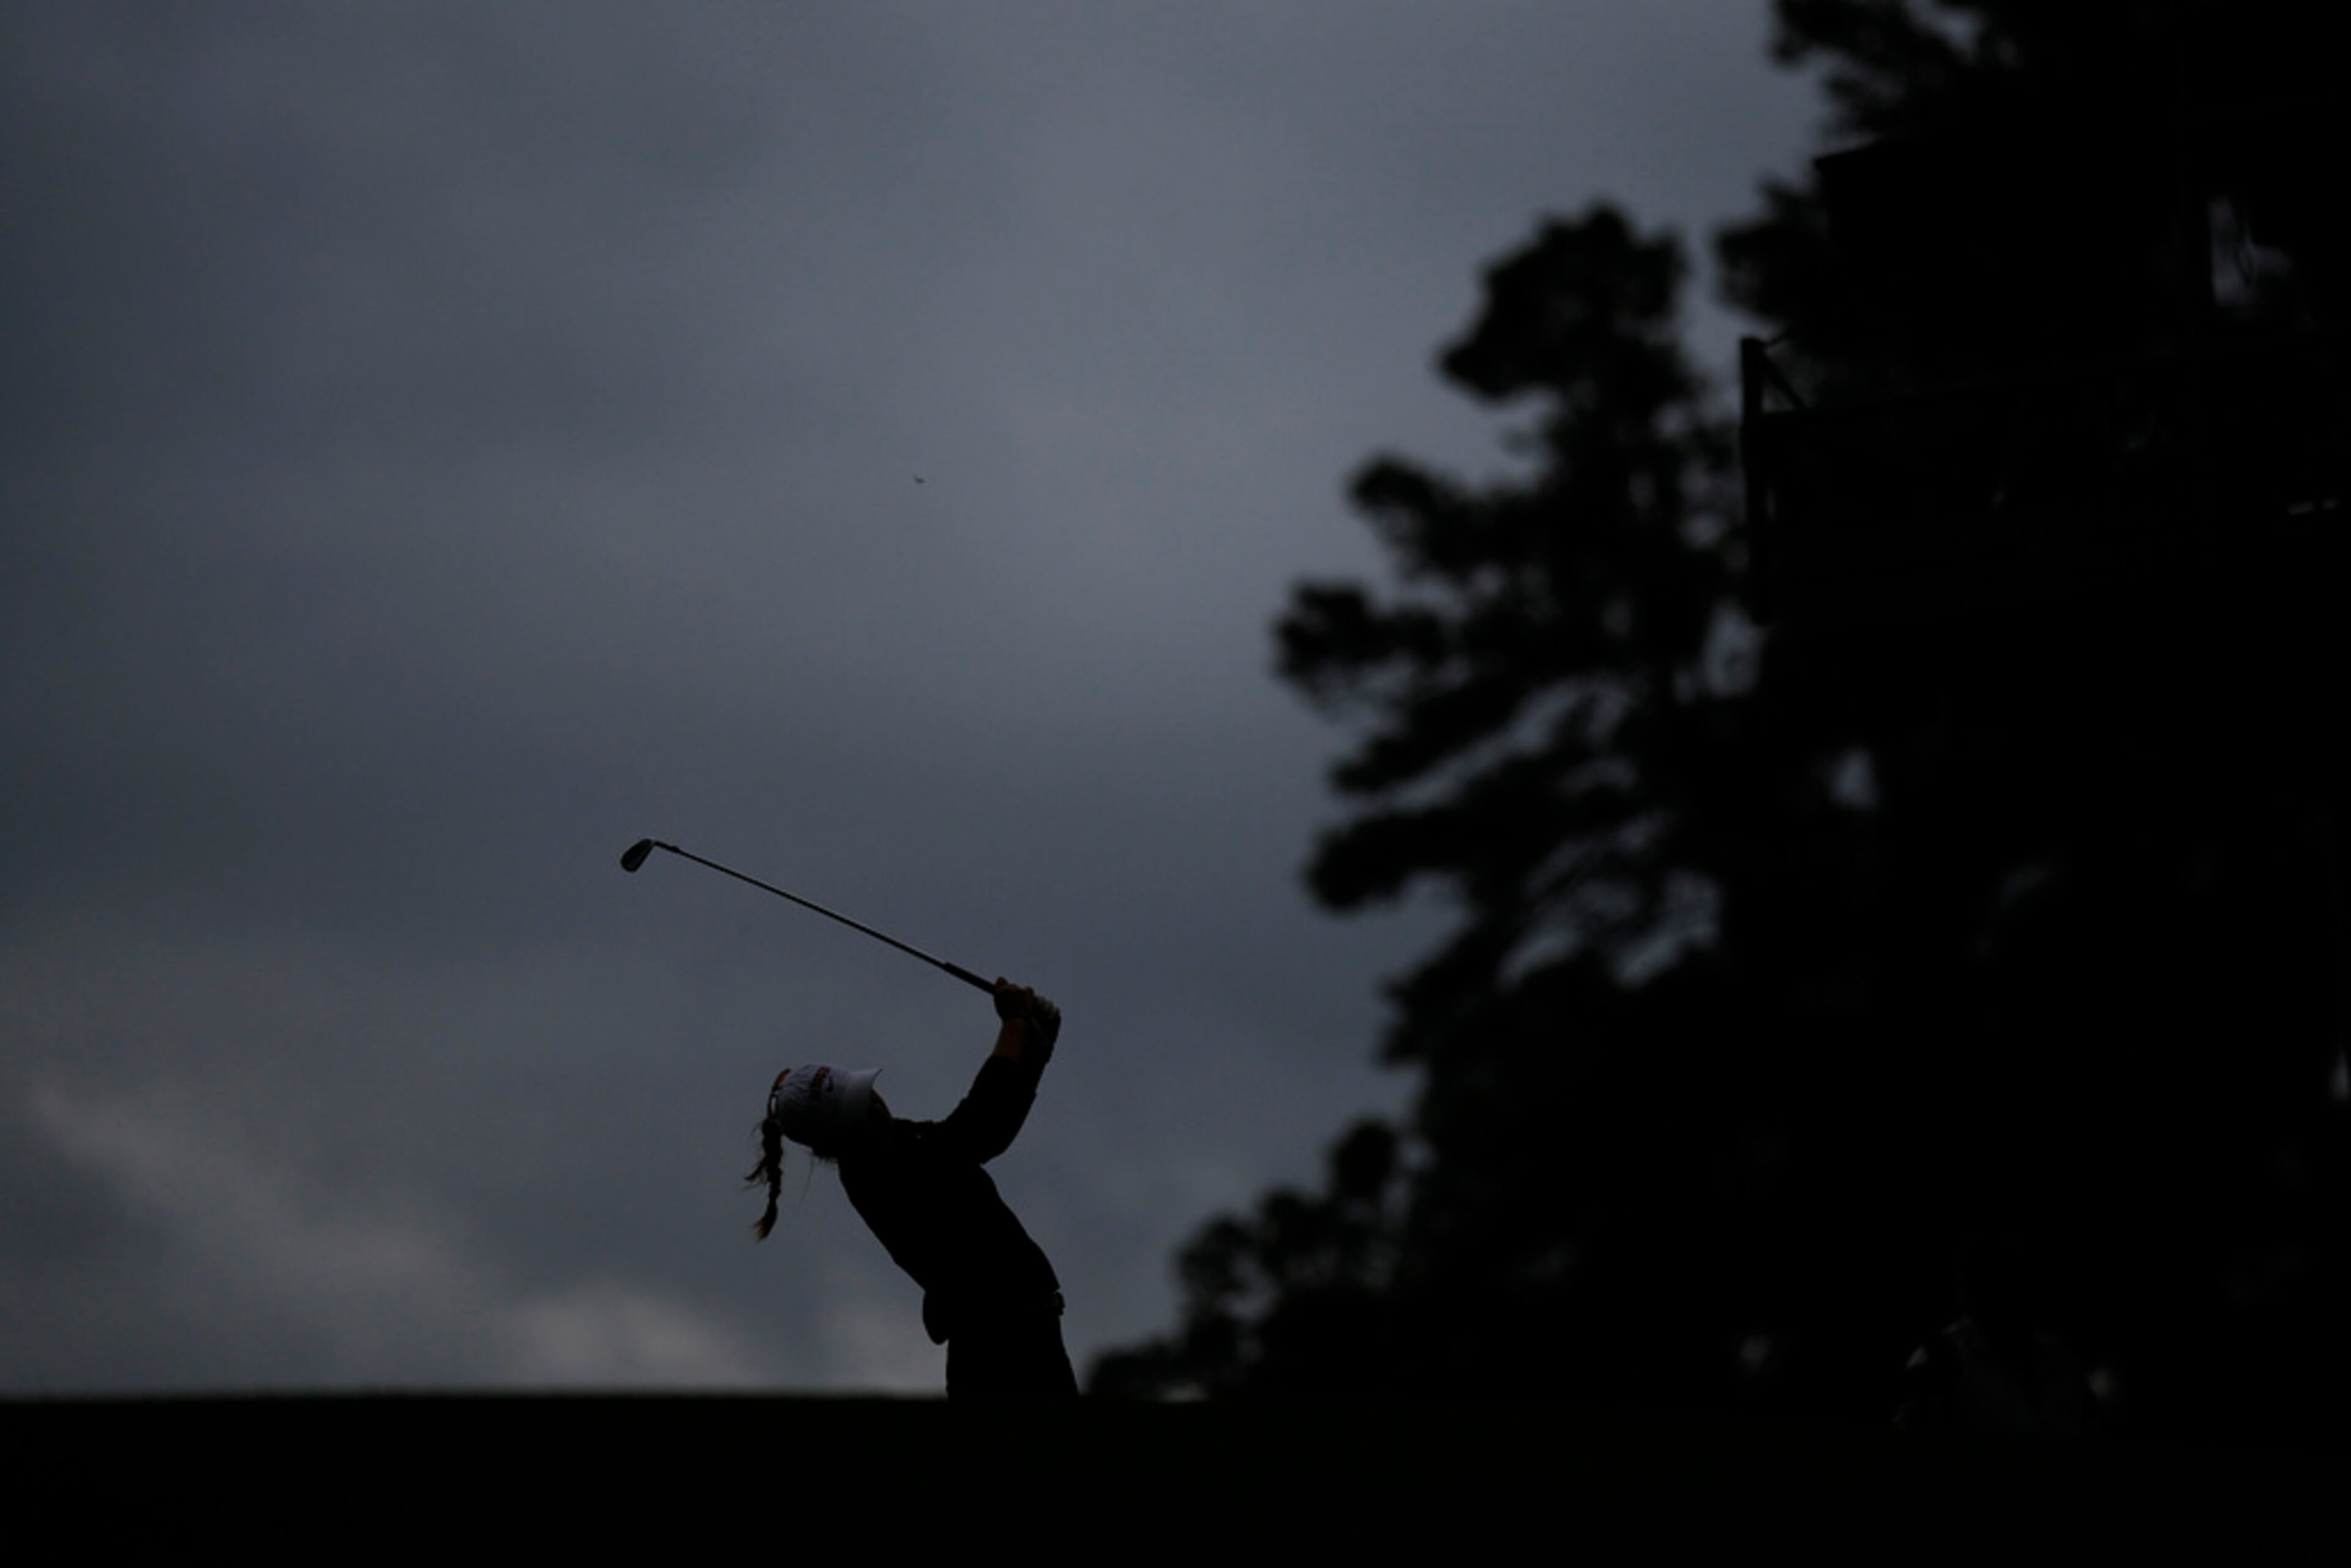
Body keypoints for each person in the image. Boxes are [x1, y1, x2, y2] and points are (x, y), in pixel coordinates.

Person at [748, 978, 1078, 1400]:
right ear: (831, 1141)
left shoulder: (896, 1141)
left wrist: (1034, 1052)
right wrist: (1014, 1024)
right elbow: (976, 1129)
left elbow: (987, 1135)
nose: (875, 1106)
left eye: (864, 1094)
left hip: (1024, 1341)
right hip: (999, 1356)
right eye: (858, 1110)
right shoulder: (878, 1172)